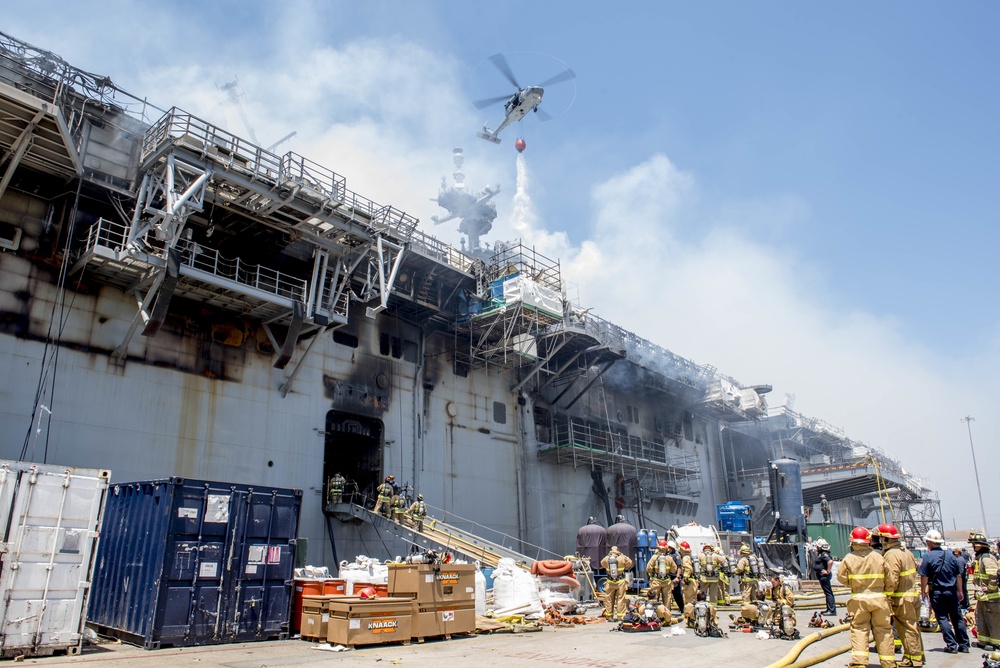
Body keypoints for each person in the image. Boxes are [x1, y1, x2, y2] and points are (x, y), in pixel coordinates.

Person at [837, 526, 895, 668]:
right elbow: (890, 580)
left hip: (859, 600)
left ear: (852, 541)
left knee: (859, 629)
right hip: (879, 599)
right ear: (868, 541)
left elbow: (841, 578)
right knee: (884, 630)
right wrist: (887, 593)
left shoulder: (849, 558)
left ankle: (860, 662)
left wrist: (854, 583)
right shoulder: (878, 557)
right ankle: (888, 662)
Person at [878, 523, 924, 667]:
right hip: (913, 595)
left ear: (885, 539)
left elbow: (892, 579)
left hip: (902, 598)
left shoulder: (891, 555)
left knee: (907, 629)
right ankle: (917, 656)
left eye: (881, 538)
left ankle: (913, 660)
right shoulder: (906, 552)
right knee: (913, 628)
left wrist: (887, 595)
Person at [917, 529, 969, 654]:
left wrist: (923, 591)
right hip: (952, 591)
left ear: (929, 542)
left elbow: (924, 576)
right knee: (957, 618)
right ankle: (964, 645)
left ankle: (952, 645)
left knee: (942, 617)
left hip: (937, 592)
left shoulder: (928, 557)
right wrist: (960, 591)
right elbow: (958, 576)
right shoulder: (951, 555)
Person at [970, 531, 1000, 651]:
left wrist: (990, 588)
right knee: (982, 619)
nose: (972, 547)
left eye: (973, 544)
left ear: (978, 545)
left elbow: (993, 576)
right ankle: (983, 641)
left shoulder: (986, 558)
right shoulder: (980, 558)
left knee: (993, 621)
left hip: (991, 598)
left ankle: (996, 643)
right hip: (984, 598)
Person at [601, 545, 633, 621]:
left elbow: (602, 564)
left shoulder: (607, 558)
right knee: (620, 599)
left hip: (610, 582)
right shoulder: (622, 557)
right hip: (620, 581)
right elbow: (629, 563)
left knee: (609, 599)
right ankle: (620, 616)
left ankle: (609, 616)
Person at [646, 539, 677, 609]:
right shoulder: (669, 558)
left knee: (654, 597)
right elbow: (674, 570)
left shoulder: (654, 557)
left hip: (656, 580)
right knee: (667, 599)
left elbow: (648, 568)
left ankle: (654, 613)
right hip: (667, 581)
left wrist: (652, 574)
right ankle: (666, 615)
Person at [812, 538, 837, 616]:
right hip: (821, 575)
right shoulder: (822, 553)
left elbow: (830, 562)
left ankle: (831, 610)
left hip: (824, 576)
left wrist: (828, 571)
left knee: (828, 593)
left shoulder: (823, 553)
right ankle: (829, 608)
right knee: (827, 593)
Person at [666, 540, 685, 613]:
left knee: (677, 595)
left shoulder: (676, 556)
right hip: (668, 577)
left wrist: (677, 577)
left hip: (674, 578)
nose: (668, 549)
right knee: (667, 596)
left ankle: (682, 609)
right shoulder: (667, 555)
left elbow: (679, 567)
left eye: (669, 548)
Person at [679, 541, 698, 608]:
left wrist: (685, 577)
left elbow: (689, 568)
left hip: (689, 582)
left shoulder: (685, 558)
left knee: (688, 599)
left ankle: (689, 615)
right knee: (692, 599)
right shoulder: (690, 556)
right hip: (692, 581)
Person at [953, 546, 970, 612]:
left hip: (961, 578)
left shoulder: (960, 560)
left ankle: (963, 604)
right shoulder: (961, 559)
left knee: (962, 590)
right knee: (964, 590)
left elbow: (960, 572)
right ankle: (965, 603)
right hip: (963, 577)